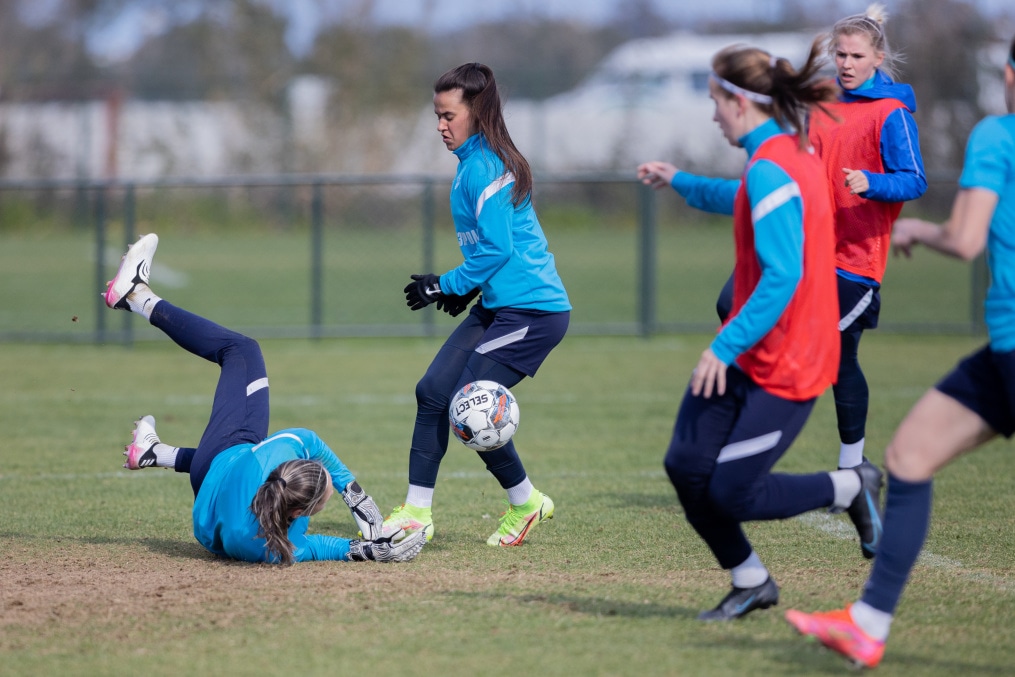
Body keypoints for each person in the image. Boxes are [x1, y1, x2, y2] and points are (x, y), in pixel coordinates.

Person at [639, 4, 925, 561]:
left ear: (739, 101)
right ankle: (752, 577)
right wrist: (680, 180)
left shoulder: (790, 153)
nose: (712, 116)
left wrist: (725, 348)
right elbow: (746, 196)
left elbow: (784, 273)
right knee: (691, 466)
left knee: (733, 479)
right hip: (802, 281)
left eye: (714, 102)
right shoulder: (783, 150)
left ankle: (850, 474)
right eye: (838, 54)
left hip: (843, 276)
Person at [785, 34, 1015, 670]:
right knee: (908, 456)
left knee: (852, 376)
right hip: (1002, 347)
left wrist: (911, 224)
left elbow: (964, 238)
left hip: (867, 271)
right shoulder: (826, 101)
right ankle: (867, 622)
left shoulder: (995, 134)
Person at [105, 233, 427, 565]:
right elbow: (317, 548)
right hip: (206, 490)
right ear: (300, 512)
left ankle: (138, 296)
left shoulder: (274, 456)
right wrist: (367, 544)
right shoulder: (271, 547)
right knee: (240, 377)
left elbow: (309, 440)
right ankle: (155, 452)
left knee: (241, 351)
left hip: (223, 460)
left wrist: (356, 496)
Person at [384, 62, 571, 547]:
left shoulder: (485, 166)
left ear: (476, 111)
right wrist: (468, 289)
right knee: (432, 392)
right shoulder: (472, 163)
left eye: (449, 115)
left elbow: (498, 249)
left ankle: (525, 502)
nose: (441, 126)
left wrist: (444, 284)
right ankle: (416, 513)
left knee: (467, 404)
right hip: (498, 306)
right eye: (437, 116)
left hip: (533, 312)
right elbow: (490, 251)